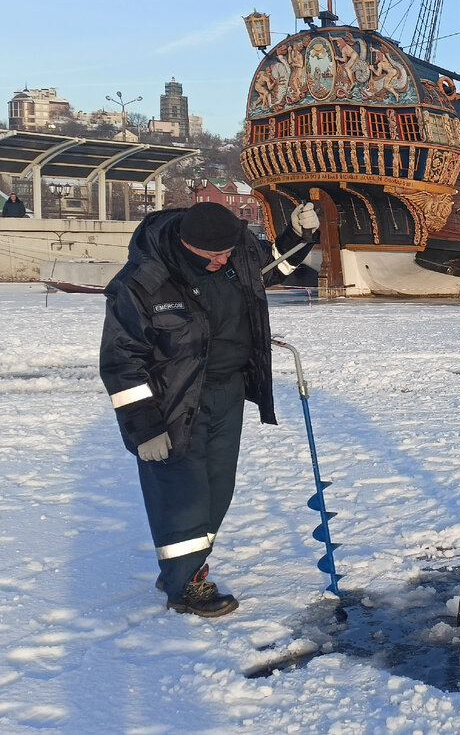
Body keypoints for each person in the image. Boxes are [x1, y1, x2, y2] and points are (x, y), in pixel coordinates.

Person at [99, 199, 319, 617]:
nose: (223, 260)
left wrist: (297, 235)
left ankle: (183, 569)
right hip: (172, 403)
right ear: (187, 244)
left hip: (227, 393)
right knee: (183, 498)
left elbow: (275, 266)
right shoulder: (142, 283)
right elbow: (120, 360)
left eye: (228, 252)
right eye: (213, 255)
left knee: (218, 490)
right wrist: (143, 427)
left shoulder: (236, 254)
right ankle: (185, 586)